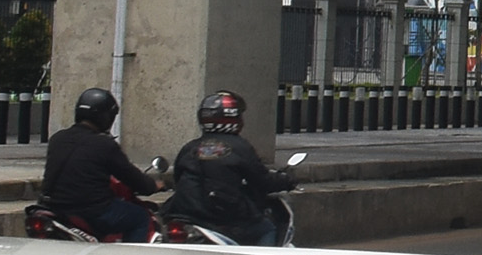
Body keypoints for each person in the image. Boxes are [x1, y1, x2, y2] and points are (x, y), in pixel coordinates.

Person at [168, 90, 298, 246]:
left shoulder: (190, 147)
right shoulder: (239, 147)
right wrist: (286, 181)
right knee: (268, 228)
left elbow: (177, 177)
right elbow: (262, 180)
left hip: (188, 214)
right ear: (234, 118)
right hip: (224, 216)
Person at [42, 85, 162, 241]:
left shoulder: (57, 139)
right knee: (140, 217)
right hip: (91, 211)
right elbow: (133, 178)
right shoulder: (104, 145)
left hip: (54, 208)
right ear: (106, 117)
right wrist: (154, 185)